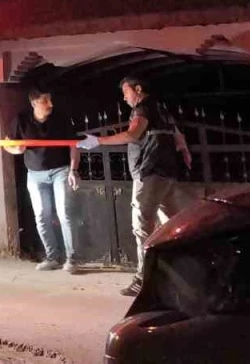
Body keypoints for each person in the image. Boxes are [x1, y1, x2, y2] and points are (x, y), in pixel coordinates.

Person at [78, 77, 193, 296]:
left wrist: (98, 141)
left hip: (150, 172)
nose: (124, 97)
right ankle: (182, 270)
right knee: (170, 224)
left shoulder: (143, 109)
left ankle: (144, 278)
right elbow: (178, 135)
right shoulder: (162, 109)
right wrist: (185, 152)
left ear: (138, 89)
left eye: (126, 92)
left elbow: (132, 134)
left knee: (142, 224)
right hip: (167, 172)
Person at [6, 88, 80, 273]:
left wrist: (73, 170)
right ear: (34, 103)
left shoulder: (61, 118)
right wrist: (16, 150)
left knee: (64, 213)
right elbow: (7, 143)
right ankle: (52, 257)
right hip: (35, 174)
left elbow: (74, 145)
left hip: (60, 171)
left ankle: (72, 259)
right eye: (45, 101)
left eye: (50, 99)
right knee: (41, 216)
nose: (50, 104)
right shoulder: (21, 120)